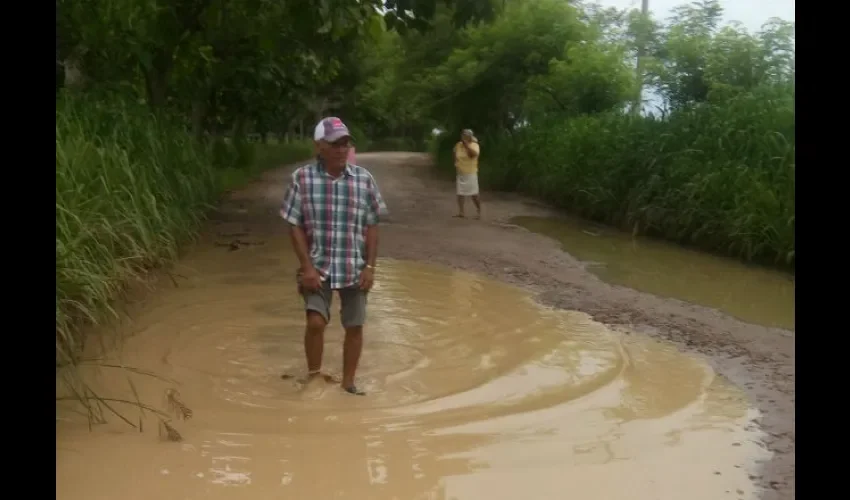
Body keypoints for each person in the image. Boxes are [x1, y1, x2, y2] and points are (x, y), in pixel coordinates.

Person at [280, 116, 386, 396]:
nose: (341, 149)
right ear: (320, 147)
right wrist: (306, 267)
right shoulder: (302, 178)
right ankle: (314, 376)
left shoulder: (364, 180)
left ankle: (348, 383)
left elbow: (373, 224)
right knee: (315, 322)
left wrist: (371, 266)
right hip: (317, 265)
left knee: (355, 325)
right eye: (335, 144)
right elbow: (294, 224)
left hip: (354, 265)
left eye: (345, 143)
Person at [453, 129, 481, 219]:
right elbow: (454, 152)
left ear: (470, 137)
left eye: (466, 135)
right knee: (460, 193)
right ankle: (461, 212)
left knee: (474, 194)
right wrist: (456, 163)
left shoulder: (474, 145)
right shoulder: (458, 145)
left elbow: (473, 155)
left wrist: (466, 146)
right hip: (460, 172)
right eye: (463, 135)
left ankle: (479, 210)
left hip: (470, 172)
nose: (463, 137)